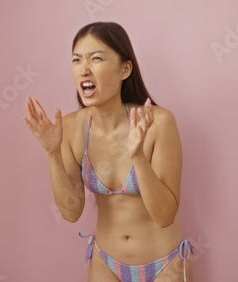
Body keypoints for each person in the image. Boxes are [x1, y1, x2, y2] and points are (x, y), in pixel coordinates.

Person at [23, 22, 193, 282]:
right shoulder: (70, 128)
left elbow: (165, 215)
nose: (84, 69)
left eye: (97, 58)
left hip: (165, 262)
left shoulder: (158, 123)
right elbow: (71, 211)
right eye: (77, 60)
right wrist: (52, 154)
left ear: (124, 69)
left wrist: (137, 157)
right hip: (106, 262)